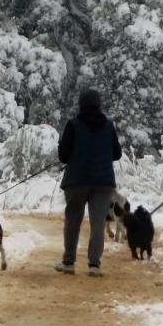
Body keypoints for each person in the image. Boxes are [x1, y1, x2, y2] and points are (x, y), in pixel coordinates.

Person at [54, 89, 122, 277]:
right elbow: (117, 154)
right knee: (98, 222)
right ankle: (94, 264)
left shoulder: (73, 125)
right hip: (103, 183)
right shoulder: (108, 126)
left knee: (73, 220)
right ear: (99, 104)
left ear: (80, 104)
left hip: (76, 181)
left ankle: (69, 261)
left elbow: (63, 156)